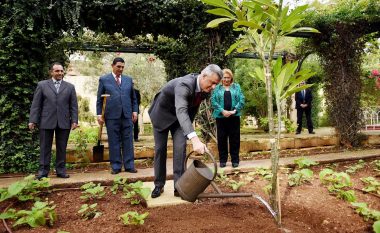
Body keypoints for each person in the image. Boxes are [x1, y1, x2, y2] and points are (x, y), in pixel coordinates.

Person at [148, 64, 223, 198]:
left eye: (216, 84)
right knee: (160, 149)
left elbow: (192, 109)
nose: (213, 87)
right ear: (204, 75)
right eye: (212, 83)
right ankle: (158, 185)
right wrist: (194, 139)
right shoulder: (184, 85)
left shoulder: (206, 89)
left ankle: (179, 186)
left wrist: (188, 129)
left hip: (179, 121)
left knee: (180, 148)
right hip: (162, 116)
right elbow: (181, 110)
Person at [28, 62, 78, 180]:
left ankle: (61, 171)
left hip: (64, 121)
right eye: (57, 71)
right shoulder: (42, 85)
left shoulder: (70, 87)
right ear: (51, 72)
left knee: (62, 147)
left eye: (61, 71)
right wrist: (33, 120)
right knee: (45, 147)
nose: (60, 73)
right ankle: (43, 172)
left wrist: (74, 120)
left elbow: (73, 106)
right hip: (46, 121)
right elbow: (36, 105)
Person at [96, 57, 138, 174]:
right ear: (112, 65)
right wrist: (99, 114)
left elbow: (133, 98)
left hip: (127, 116)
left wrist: (135, 111)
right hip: (111, 116)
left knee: (128, 141)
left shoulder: (128, 80)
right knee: (114, 141)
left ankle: (129, 165)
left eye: (122, 67)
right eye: (118, 66)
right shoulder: (104, 79)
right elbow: (99, 99)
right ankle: (116, 166)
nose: (121, 69)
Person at [211, 68, 245, 168]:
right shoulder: (217, 88)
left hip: (234, 117)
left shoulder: (236, 87)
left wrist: (234, 110)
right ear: (222, 78)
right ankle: (222, 160)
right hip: (221, 117)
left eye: (228, 78)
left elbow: (242, 99)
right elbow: (213, 100)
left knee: (235, 139)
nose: (226, 79)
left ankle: (235, 160)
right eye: (224, 77)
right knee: (222, 139)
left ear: (231, 78)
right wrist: (222, 111)